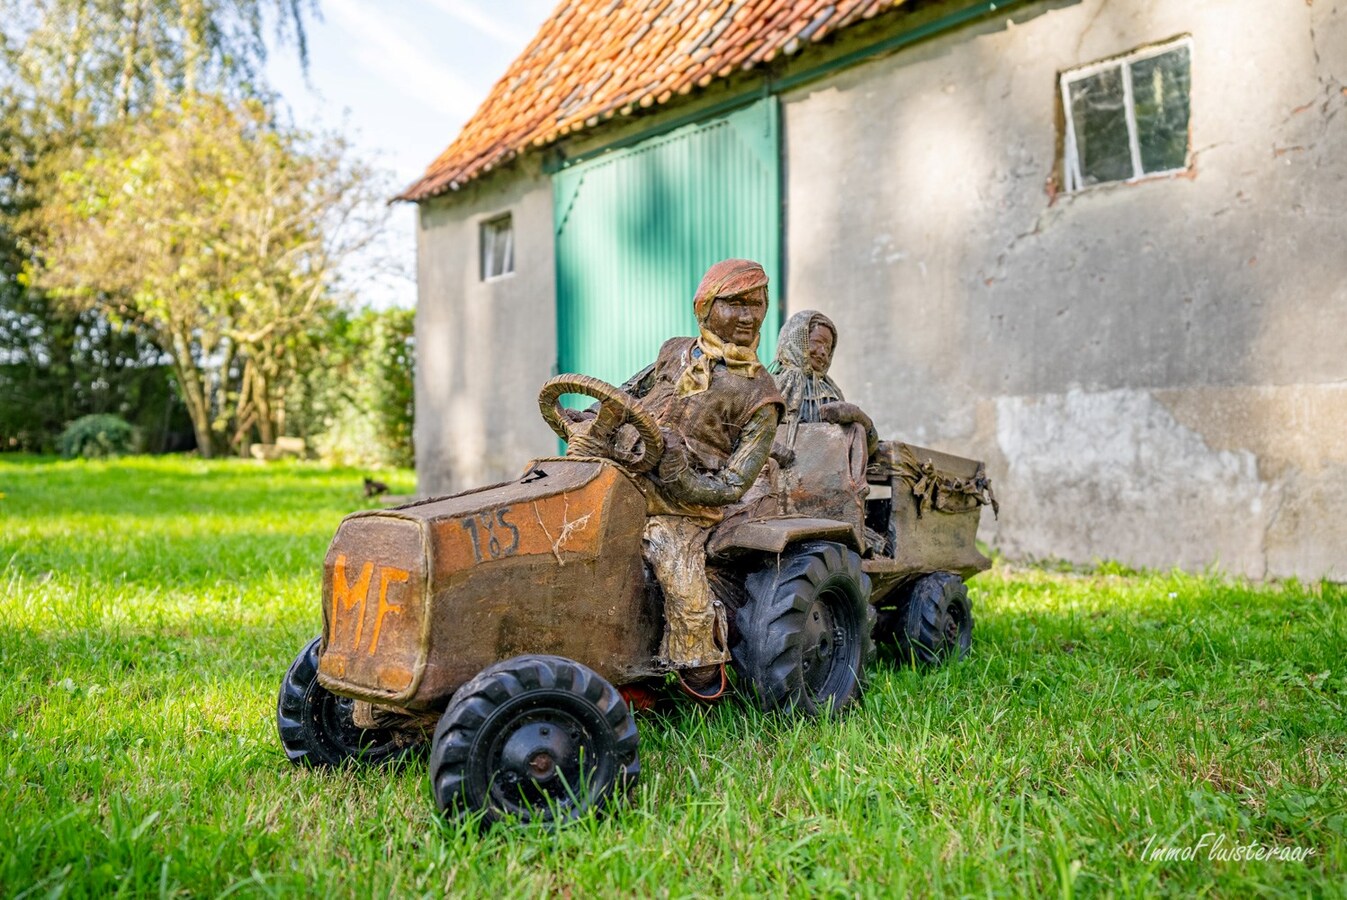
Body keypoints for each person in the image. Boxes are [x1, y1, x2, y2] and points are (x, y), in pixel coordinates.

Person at [612, 259, 783, 698]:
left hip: (684, 507)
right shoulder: (675, 351)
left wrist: (679, 476)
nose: (748, 316)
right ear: (704, 307)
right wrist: (592, 417)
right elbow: (626, 394)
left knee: (678, 574)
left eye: (757, 304)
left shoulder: (761, 397)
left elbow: (731, 486)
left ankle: (700, 675)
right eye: (735, 304)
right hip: (616, 470)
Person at [772, 309, 878, 457]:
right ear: (797, 339)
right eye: (817, 342)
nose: (823, 352)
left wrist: (859, 417)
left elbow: (860, 447)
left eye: (828, 348)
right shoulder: (773, 385)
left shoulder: (832, 391)